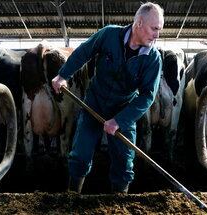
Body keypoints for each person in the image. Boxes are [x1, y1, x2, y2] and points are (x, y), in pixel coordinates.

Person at [51, 2, 164, 194]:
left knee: (124, 161)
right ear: (139, 23)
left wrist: (120, 120)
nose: (157, 35)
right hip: (94, 103)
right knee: (80, 154)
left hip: (124, 109)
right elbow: (84, 52)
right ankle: (71, 198)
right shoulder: (109, 34)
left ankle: (119, 202)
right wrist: (63, 75)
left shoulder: (153, 58)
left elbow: (147, 96)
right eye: (154, 29)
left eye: (159, 30)